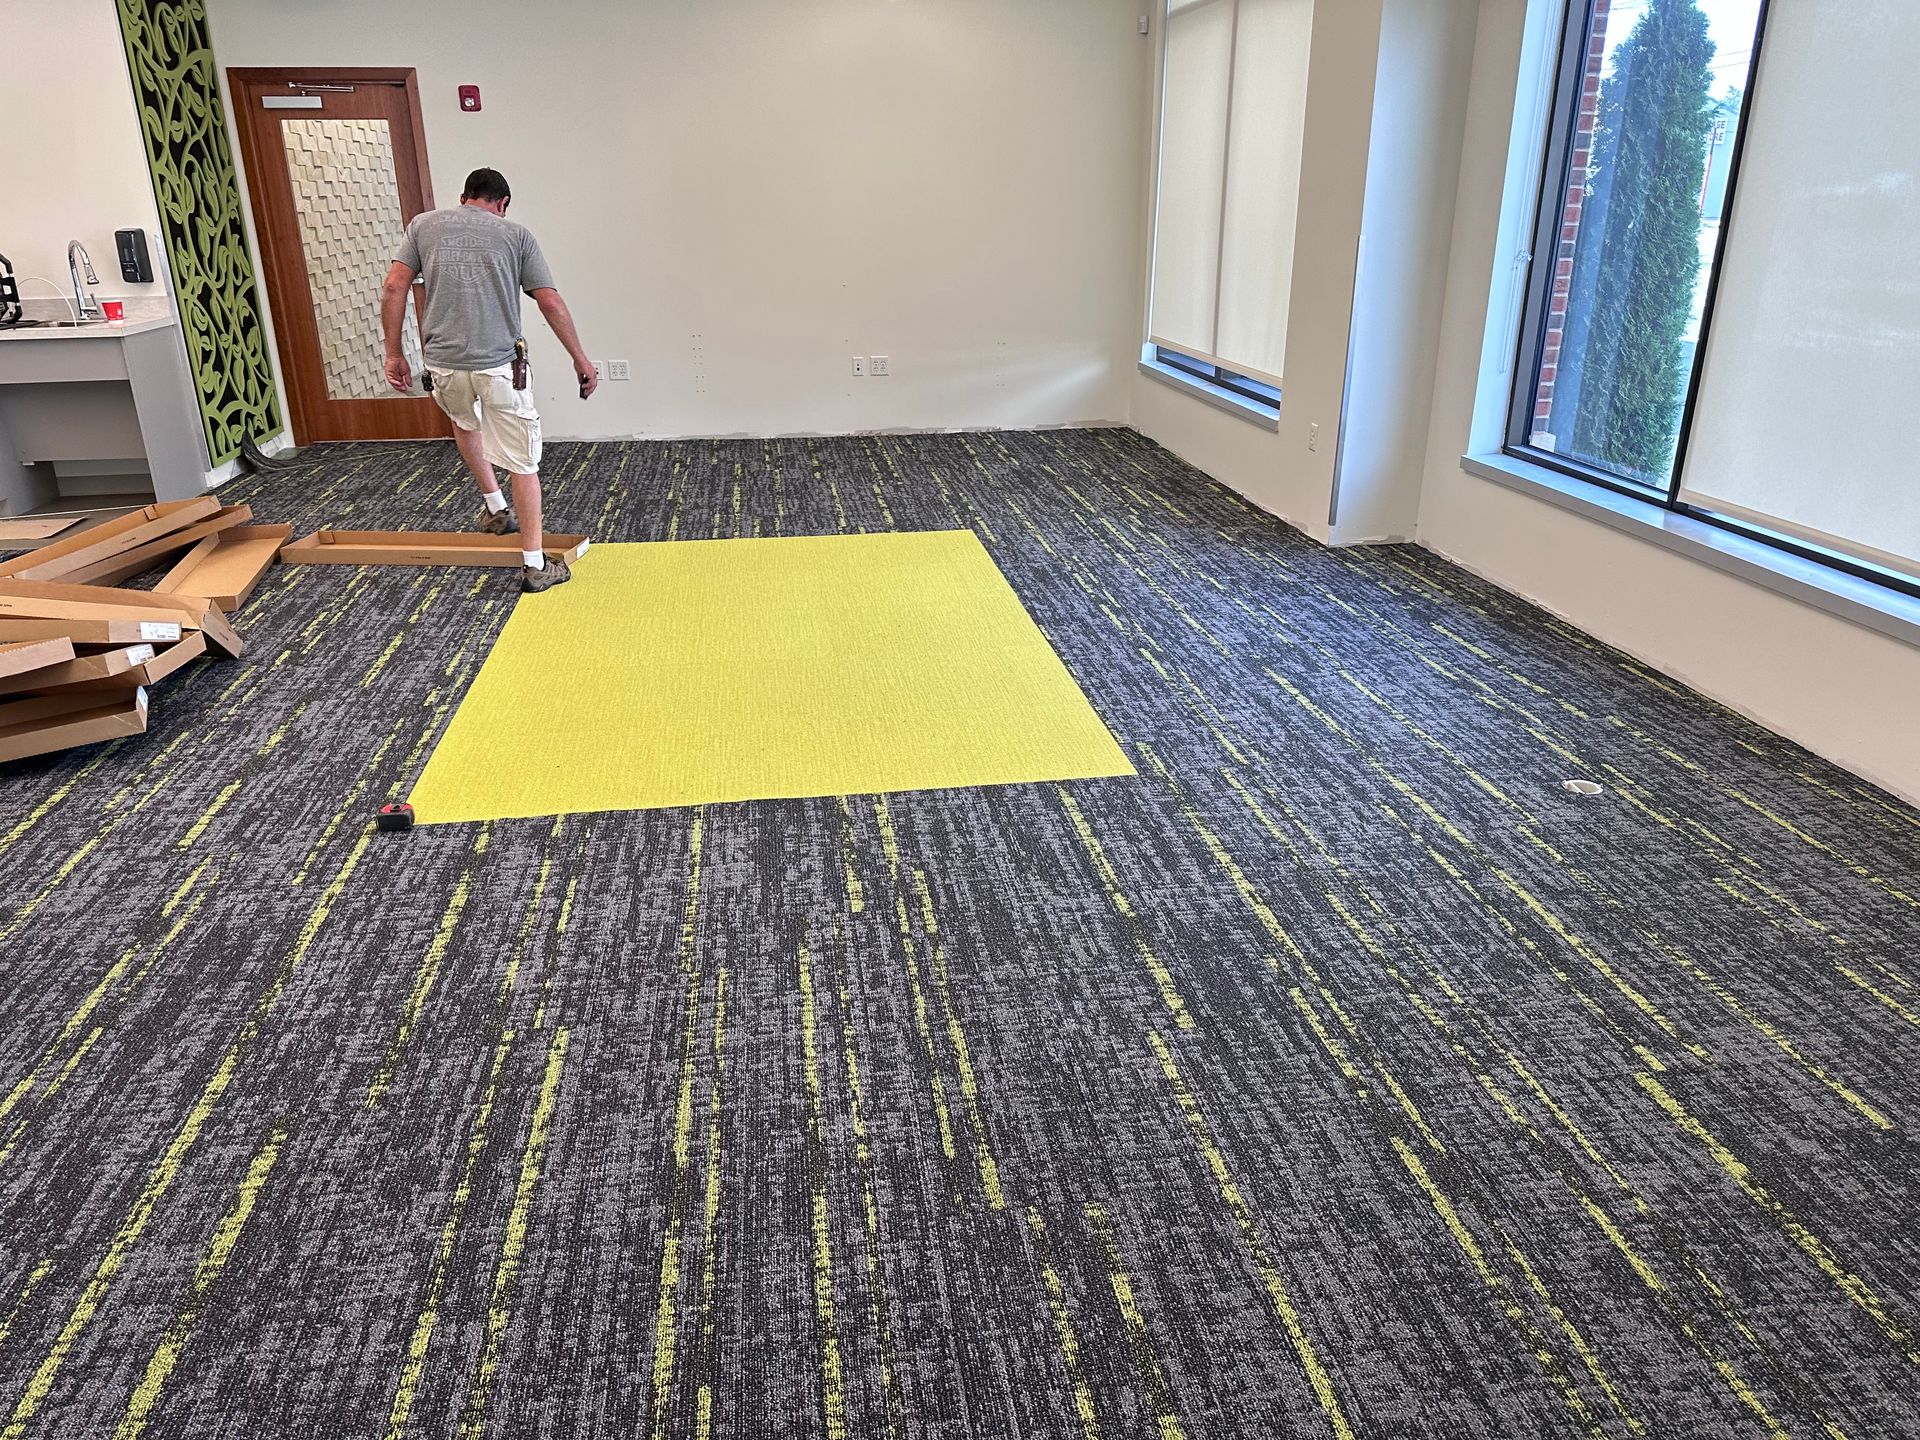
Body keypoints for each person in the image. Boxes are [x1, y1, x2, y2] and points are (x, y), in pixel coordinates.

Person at [380, 167, 598, 593]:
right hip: (499, 367)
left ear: (464, 197)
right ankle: (535, 565)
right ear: (502, 204)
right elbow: (549, 301)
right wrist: (580, 359)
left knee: (465, 423)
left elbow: (393, 287)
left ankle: (495, 508)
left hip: (442, 365)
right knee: (523, 463)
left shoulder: (423, 225)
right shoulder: (516, 234)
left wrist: (393, 353)